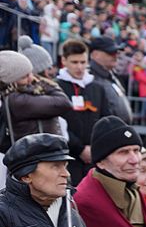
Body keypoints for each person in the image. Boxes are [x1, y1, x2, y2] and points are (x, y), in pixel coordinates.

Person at [57, 38, 113, 185]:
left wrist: (95, 147)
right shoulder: (56, 87)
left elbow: (106, 119)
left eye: (83, 62)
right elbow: (57, 123)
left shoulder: (97, 88)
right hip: (68, 156)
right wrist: (80, 149)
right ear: (64, 61)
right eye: (75, 62)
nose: (80, 67)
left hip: (95, 156)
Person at [0, 50, 71, 142]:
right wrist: (42, 82)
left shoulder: (19, 94)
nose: (31, 78)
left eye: (31, 73)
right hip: (35, 153)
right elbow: (63, 103)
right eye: (24, 77)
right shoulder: (17, 100)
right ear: (10, 81)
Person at [89, 36, 133, 124]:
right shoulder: (89, 78)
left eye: (116, 52)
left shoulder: (112, 76)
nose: (115, 55)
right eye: (110, 53)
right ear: (95, 55)